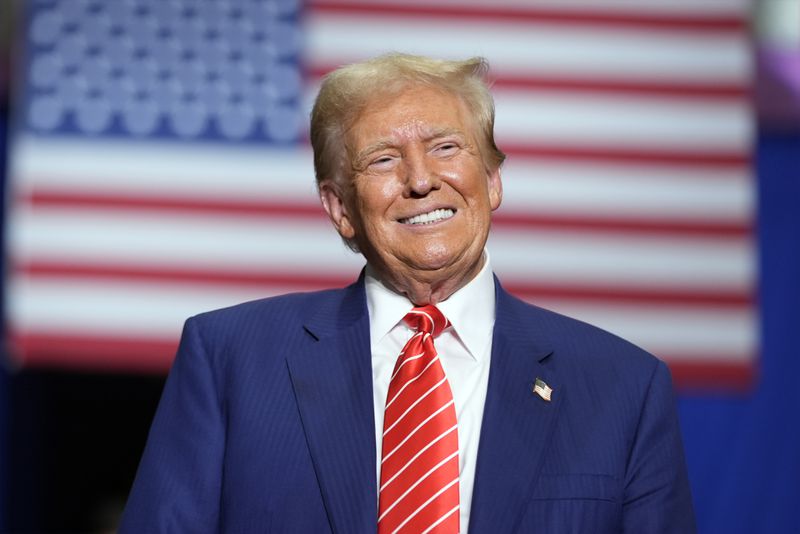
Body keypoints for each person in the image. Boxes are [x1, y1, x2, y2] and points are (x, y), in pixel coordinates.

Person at [120, 54, 695, 533]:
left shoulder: (625, 388)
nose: (421, 180)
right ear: (340, 209)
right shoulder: (230, 359)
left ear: (492, 180)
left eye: (446, 147)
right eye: (384, 159)